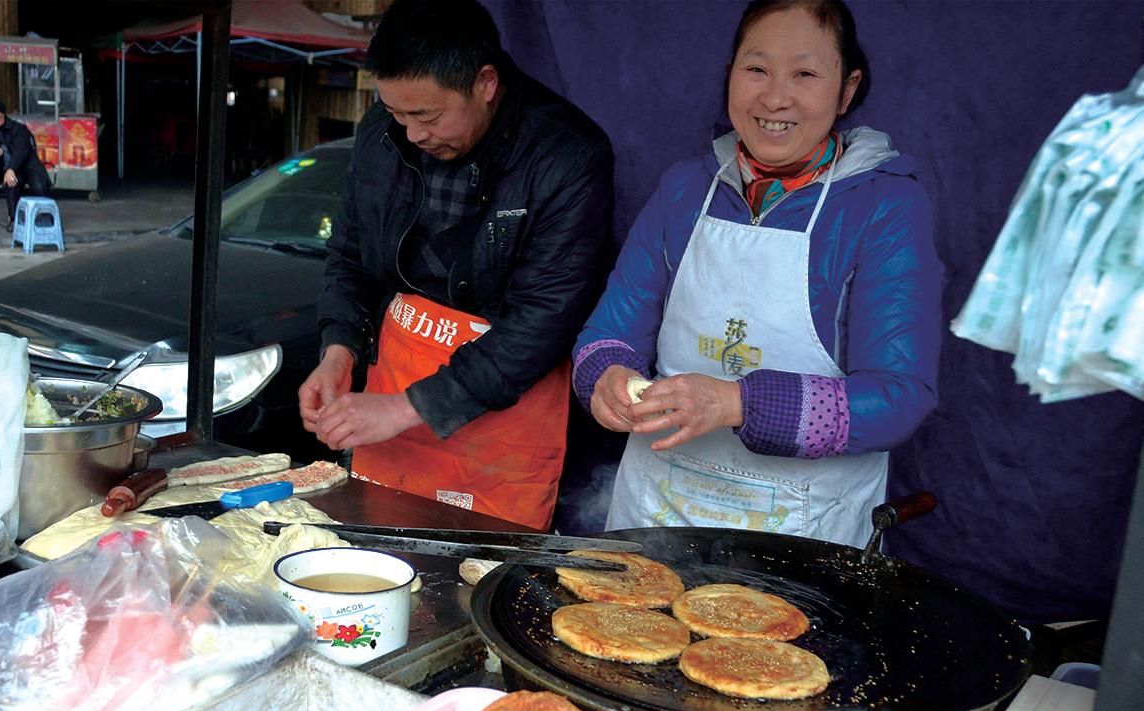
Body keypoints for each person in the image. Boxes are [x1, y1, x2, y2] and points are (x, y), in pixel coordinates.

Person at [572, 0, 943, 547]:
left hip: (802, 533)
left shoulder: (884, 204)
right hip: (656, 513)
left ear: (847, 89)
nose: (774, 97)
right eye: (757, 69)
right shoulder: (684, 189)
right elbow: (608, 334)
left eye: (806, 74)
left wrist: (735, 402)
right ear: (730, 76)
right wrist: (603, 376)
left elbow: (900, 396)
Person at [298, 0, 614, 531]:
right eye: (397, 113)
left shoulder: (566, 156)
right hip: (393, 390)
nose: (413, 133)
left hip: (505, 410)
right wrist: (338, 353)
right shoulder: (384, 133)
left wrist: (402, 409)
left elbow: (544, 319)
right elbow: (349, 255)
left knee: (479, 580)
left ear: (485, 82)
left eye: (427, 115)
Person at [0, 96, 52, 229]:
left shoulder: (18, 129)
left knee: (39, 184)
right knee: (11, 183)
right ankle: (14, 219)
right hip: (7, 171)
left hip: (28, 168)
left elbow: (22, 151)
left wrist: (11, 168)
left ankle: (47, 216)